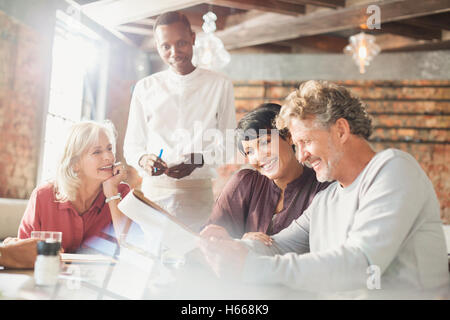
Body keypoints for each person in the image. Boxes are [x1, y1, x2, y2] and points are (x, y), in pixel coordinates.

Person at [200, 80, 450, 294]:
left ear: (340, 130)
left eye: (306, 141)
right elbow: (276, 245)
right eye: (297, 145)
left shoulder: (393, 168)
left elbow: (361, 264)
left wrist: (251, 266)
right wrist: (231, 247)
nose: (301, 156)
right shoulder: (326, 199)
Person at [123, 11, 236, 231]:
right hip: (153, 195)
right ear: (157, 47)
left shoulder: (219, 84)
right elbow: (132, 146)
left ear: (193, 39)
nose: (174, 52)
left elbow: (229, 143)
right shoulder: (145, 88)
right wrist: (143, 159)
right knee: (153, 261)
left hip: (197, 196)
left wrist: (199, 160)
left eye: (182, 43)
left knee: (195, 260)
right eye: (166, 46)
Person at [203, 103, 330, 244]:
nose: (258, 157)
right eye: (249, 152)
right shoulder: (244, 182)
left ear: (288, 137)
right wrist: (242, 242)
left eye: (265, 143)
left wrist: (251, 246)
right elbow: (211, 238)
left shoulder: (322, 186)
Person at [17, 121, 132, 253]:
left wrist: (112, 194)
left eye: (109, 149)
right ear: (75, 164)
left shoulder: (120, 192)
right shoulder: (43, 197)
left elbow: (130, 247)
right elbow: (22, 251)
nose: (109, 157)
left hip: (100, 273)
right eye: (97, 152)